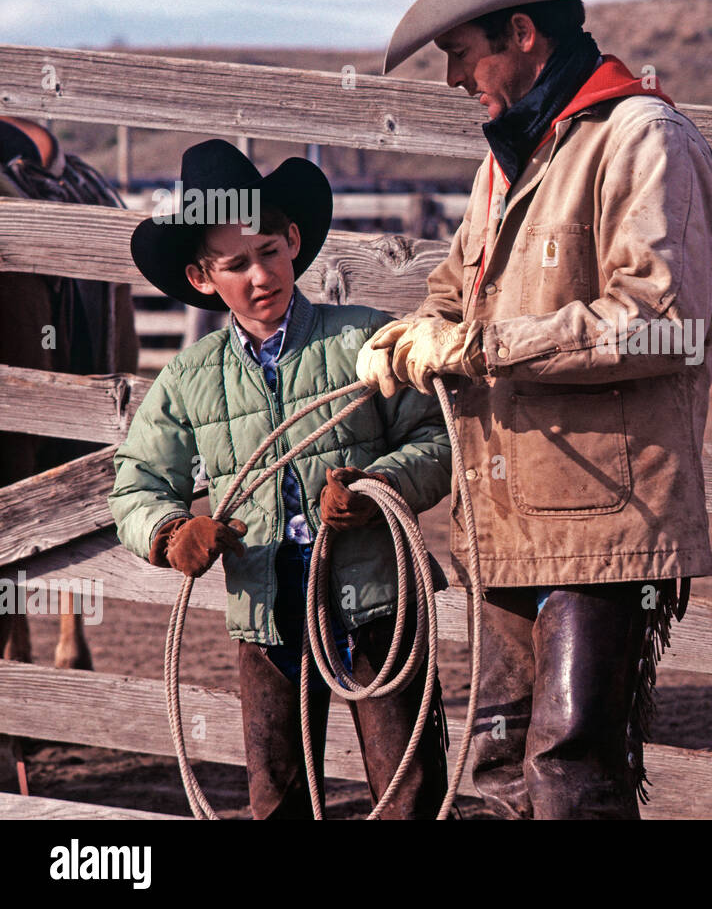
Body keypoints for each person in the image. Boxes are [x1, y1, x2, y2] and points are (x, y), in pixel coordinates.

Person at [357, 0, 712, 819]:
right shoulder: (512, 162)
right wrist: (411, 332)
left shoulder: (643, 139)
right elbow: (457, 287)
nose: (452, 77)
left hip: (606, 519)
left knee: (570, 764)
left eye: (460, 51)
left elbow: (658, 320)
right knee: (495, 762)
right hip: (510, 510)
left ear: (522, 33)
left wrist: (477, 347)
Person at [108, 139, 453, 819]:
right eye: (236, 264)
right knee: (277, 795)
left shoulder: (363, 343)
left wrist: (378, 486)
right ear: (204, 278)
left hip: (376, 603)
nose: (260, 275)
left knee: (407, 786)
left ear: (293, 241)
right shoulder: (189, 379)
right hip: (265, 613)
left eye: (269, 251)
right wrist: (172, 531)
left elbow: (438, 436)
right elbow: (138, 482)